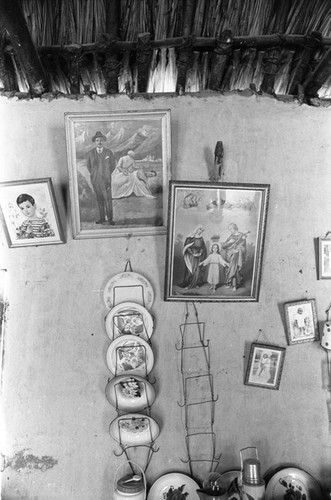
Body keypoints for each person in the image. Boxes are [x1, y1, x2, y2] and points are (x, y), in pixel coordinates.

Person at [86, 130, 116, 225]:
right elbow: (88, 166)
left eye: (101, 140)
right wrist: (94, 174)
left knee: (107, 199)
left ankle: (110, 219)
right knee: (99, 199)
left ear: (104, 141)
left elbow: (113, 165)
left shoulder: (109, 152)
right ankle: (102, 218)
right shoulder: (90, 153)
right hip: (95, 180)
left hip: (106, 180)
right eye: (97, 140)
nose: (99, 142)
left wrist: (106, 174)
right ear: (95, 142)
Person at [221, 223, 249, 291]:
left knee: (235, 270)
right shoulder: (231, 236)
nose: (230, 230)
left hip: (237, 255)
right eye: (229, 229)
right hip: (230, 255)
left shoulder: (241, 235)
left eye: (231, 229)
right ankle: (229, 283)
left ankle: (235, 285)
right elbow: (223, 246)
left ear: (235, 228)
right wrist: (229, 242)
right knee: (229, 269)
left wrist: (237, 250)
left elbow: (243, 245)